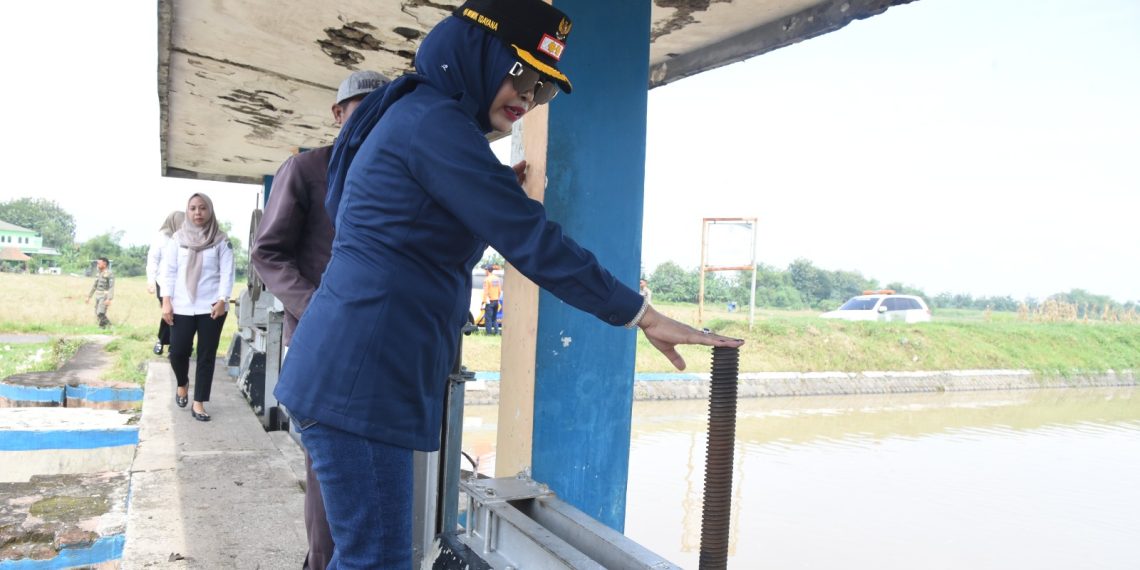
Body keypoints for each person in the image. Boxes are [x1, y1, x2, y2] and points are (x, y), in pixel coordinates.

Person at [274, 1, 744, 566]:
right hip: (359, 378)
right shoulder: (431, 122)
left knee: (371, 555)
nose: (527, 97)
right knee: (377, 558)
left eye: (542, 89)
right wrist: (640, 313)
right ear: (476, 54)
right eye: (520, 74)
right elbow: (534, 243)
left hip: (360, 373)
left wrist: (489, 190)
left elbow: (418, 239)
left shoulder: (416, 116)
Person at [250, 69, 389, 570]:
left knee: (377, 473)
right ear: (338, 114)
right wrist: (319, 311)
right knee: (330, 472)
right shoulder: (307, 169)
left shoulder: (394, 172)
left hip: (382, 346)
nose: (375, 120)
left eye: (385, 110)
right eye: (362, 109)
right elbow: (269, 254)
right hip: (323, 346)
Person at [159, 193, 234, 422]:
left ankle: (199, 402)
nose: (197, 213)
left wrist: (223, 299)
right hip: (181, 305)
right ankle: (182, 383)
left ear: (209, 210)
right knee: (178, 352)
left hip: (212, 306)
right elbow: (168, 271)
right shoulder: (177, 239)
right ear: (187, 211)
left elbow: (227, 272)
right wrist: (166, 301)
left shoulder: (221, 240)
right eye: (192, 208)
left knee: (206, 356)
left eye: (202, 208)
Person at [146, 211, 185, 355]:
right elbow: (153, 261)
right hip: (162, 282)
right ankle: (162, 341)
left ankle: (175, 346)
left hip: (181, 284)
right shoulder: (161, 238)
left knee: (180, 315)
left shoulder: (186, 237)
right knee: (168, 312)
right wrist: (150, 281)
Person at [86, 257, 114, 328]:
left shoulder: (109, 273)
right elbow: (94, 286)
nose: (97, 264)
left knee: (100, 312)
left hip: (104, 296)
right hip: (97, 295)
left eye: (99, 263)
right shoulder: (98, 274)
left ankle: (110, 326)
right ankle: (102, 328)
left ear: (104, 264)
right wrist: (89, 297)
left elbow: (111, 287)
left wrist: (109, 299)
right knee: (97, 313)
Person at [481, 264, 503, 335]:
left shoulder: (487, 280)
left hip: (489, 302)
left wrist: (483, 302)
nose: (484, 272)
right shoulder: (497, 279)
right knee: (494, 318)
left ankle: (488, 333)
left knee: (488, 319)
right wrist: (497, 297)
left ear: (487, 270)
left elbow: (485, 292)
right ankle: (497, 332)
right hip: (496, 301)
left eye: (485, 270)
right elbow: (499, 290)